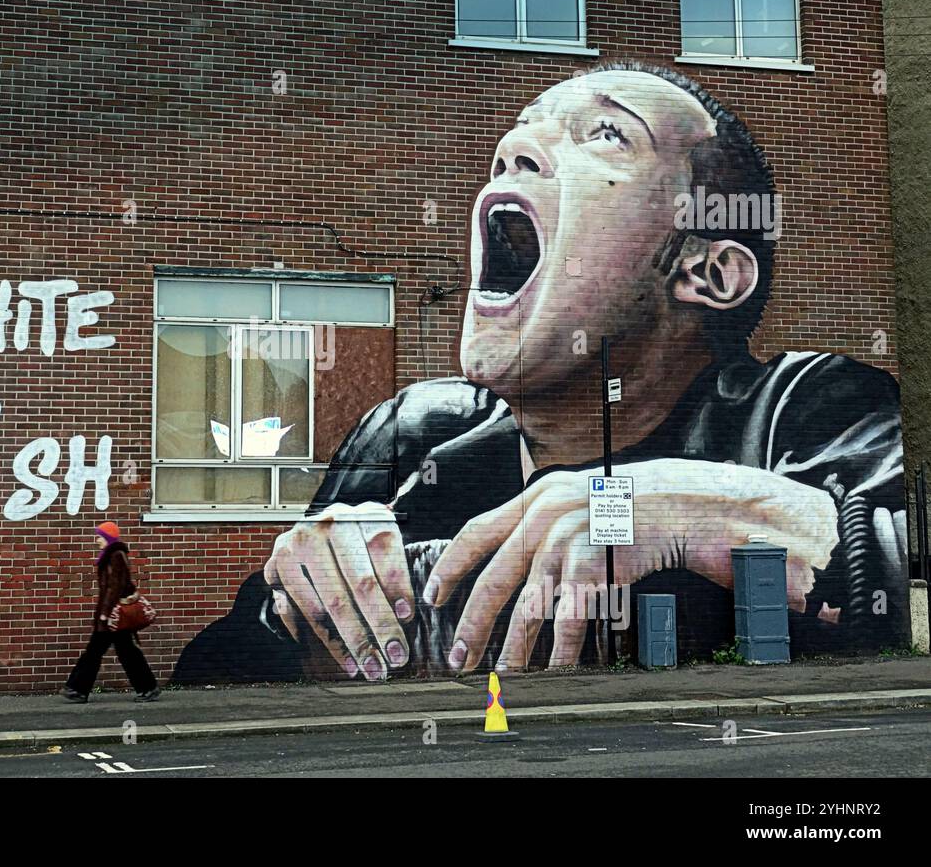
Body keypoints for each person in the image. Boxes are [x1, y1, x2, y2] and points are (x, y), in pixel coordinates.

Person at [173, 63, 904, 683]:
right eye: (523, 127)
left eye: (606, 134)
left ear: (706, 272)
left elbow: (898, 566)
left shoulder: (809, 406)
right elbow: (212, 675)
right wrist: (288, 602)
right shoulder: (415, 435)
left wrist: (691, 510)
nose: (512, 148)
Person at [64, 522, 161, 703]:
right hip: (113, 616)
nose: (97, 539)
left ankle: (77, 689)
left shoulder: (116, 556)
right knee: (124, 652)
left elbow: (115, 587)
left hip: (113, 616)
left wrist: (104, 613)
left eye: (100, 536)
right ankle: (147, 687)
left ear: (108, 538)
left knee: (97, 652)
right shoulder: (110, 555)